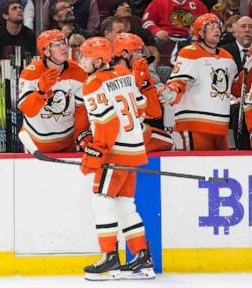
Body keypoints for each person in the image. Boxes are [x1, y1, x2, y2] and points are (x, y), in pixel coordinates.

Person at [78, 36, 155, 280]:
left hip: (115, 152)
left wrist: (95, 152)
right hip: (134, 150)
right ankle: (142, 255)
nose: (81, 61)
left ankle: (110, 256)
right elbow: (143, 108)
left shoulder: (92, 83)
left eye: (86, 57)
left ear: (98, 60)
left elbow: (107, 122)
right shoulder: (123, 75)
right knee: (124, 204)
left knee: (102, 200)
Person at [158, 13, 238, 151]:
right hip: (195, 124)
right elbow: (179, 81)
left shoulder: (227, 57)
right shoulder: (190, 52)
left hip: (221, 125)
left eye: (218, 26)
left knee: (220, 169)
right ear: (200, 32)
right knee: (197, 168)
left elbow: (235, 86)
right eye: (211, 26)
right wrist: (172, 90)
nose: (217, 30)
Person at [18, 29, 89, 152]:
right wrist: (40, 91)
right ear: (45, 51)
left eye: (64, 42)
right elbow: (27, 110)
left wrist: (81, 135)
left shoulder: (79, 72)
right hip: (34, 144)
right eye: (57, 44)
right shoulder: (30, 72)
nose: (63, 47)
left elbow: (81, 109)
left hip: (68, 144)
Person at [113, 33, 174, 152]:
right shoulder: (112, 76)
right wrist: (138, 79)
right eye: (138, 51)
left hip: (140, 127)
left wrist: (156, 88)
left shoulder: (142, 70)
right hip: (124, 131)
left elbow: (154, 113)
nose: (143, 55)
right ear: (125, 54)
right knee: (169, 143)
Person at [222, 16, 252, 150]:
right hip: (230, 99)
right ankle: (242, 150)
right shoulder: (224, 51)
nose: (247, 30)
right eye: (243, 27)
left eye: (251, 26)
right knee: (240, 108)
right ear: (234, 31)